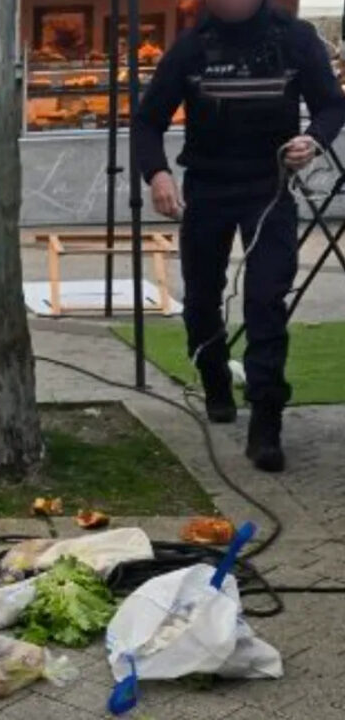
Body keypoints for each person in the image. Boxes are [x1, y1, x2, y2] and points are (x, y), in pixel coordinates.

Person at [135, 0, 345, 472]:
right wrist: (158, 175)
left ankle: (266, 416)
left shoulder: (295, 39)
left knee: (266, 298)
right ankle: (213, 378)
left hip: (268, 187)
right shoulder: (190, 47)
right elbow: (148, 121)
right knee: (203, 294)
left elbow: (332, 105)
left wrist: (313, 140)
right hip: (207, 186)